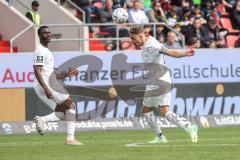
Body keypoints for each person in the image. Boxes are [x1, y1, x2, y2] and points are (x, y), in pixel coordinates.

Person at [129, 26, 198, 144]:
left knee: (148, 110)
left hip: (158, 80)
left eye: (134, 39)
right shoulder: (147, 43)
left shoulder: (152, 45)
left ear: (141, 35)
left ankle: (162, 136)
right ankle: (187, 126)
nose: (133, 41)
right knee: (163, 111)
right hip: (160, 79)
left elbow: (170, 52)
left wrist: (185, 53)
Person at [33, 26, 82, 145]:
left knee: (65, 112)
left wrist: (67, 74)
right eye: (45, 33)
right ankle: (70, 139)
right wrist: (46, 87)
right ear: (40, 36)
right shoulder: (40, 50)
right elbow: (37, 70)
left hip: (42, 84)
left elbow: (50, 73)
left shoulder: (46, 50)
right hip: (47, 84)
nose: (48, 34)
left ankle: (43, 119)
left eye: (49, 32)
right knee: (70, 104)